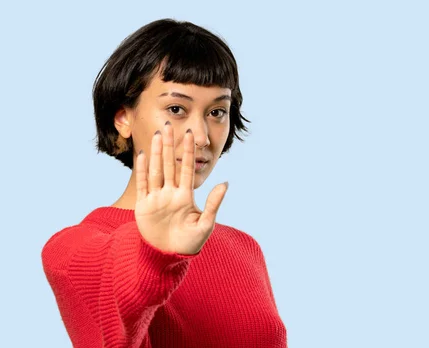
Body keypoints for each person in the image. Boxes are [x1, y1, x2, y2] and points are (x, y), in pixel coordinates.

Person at [41, 18, 287, 347]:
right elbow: (119, 319)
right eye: (176, 108)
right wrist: (154, 254)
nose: (201, 137)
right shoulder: (71, 252)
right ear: (123, 118)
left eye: (217, 112)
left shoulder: (245, 249)